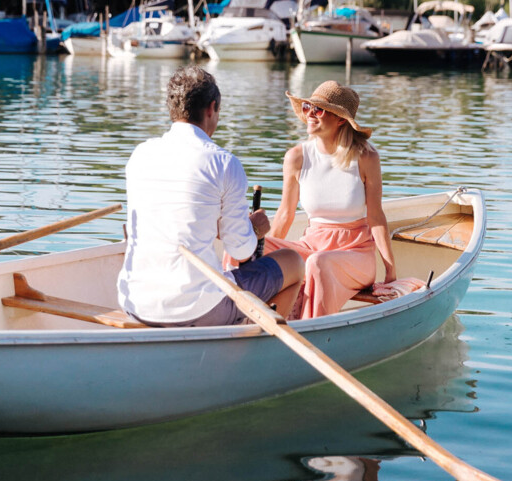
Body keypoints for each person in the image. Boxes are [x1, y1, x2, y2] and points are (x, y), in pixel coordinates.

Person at [117, 66, 303, 327]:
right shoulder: (224, 163)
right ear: (211, 108)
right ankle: (254, 353)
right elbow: (241, 250)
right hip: (196, 309)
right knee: (292, 262)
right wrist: (255, 229)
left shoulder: (139, 155)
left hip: (135, 303)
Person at [262, 81, 395, 319]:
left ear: (340, 119)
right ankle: (249, 321)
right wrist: (266, 254)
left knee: (318, 263)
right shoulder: (296, 157)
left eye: (319, 110)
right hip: (311, 247)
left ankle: (311, 333)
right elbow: (284, 214)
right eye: (307, 107)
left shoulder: (366, 157)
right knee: (252, 248)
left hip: (355, 253)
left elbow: (376, 217)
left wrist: (390, 271)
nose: (310, 115)